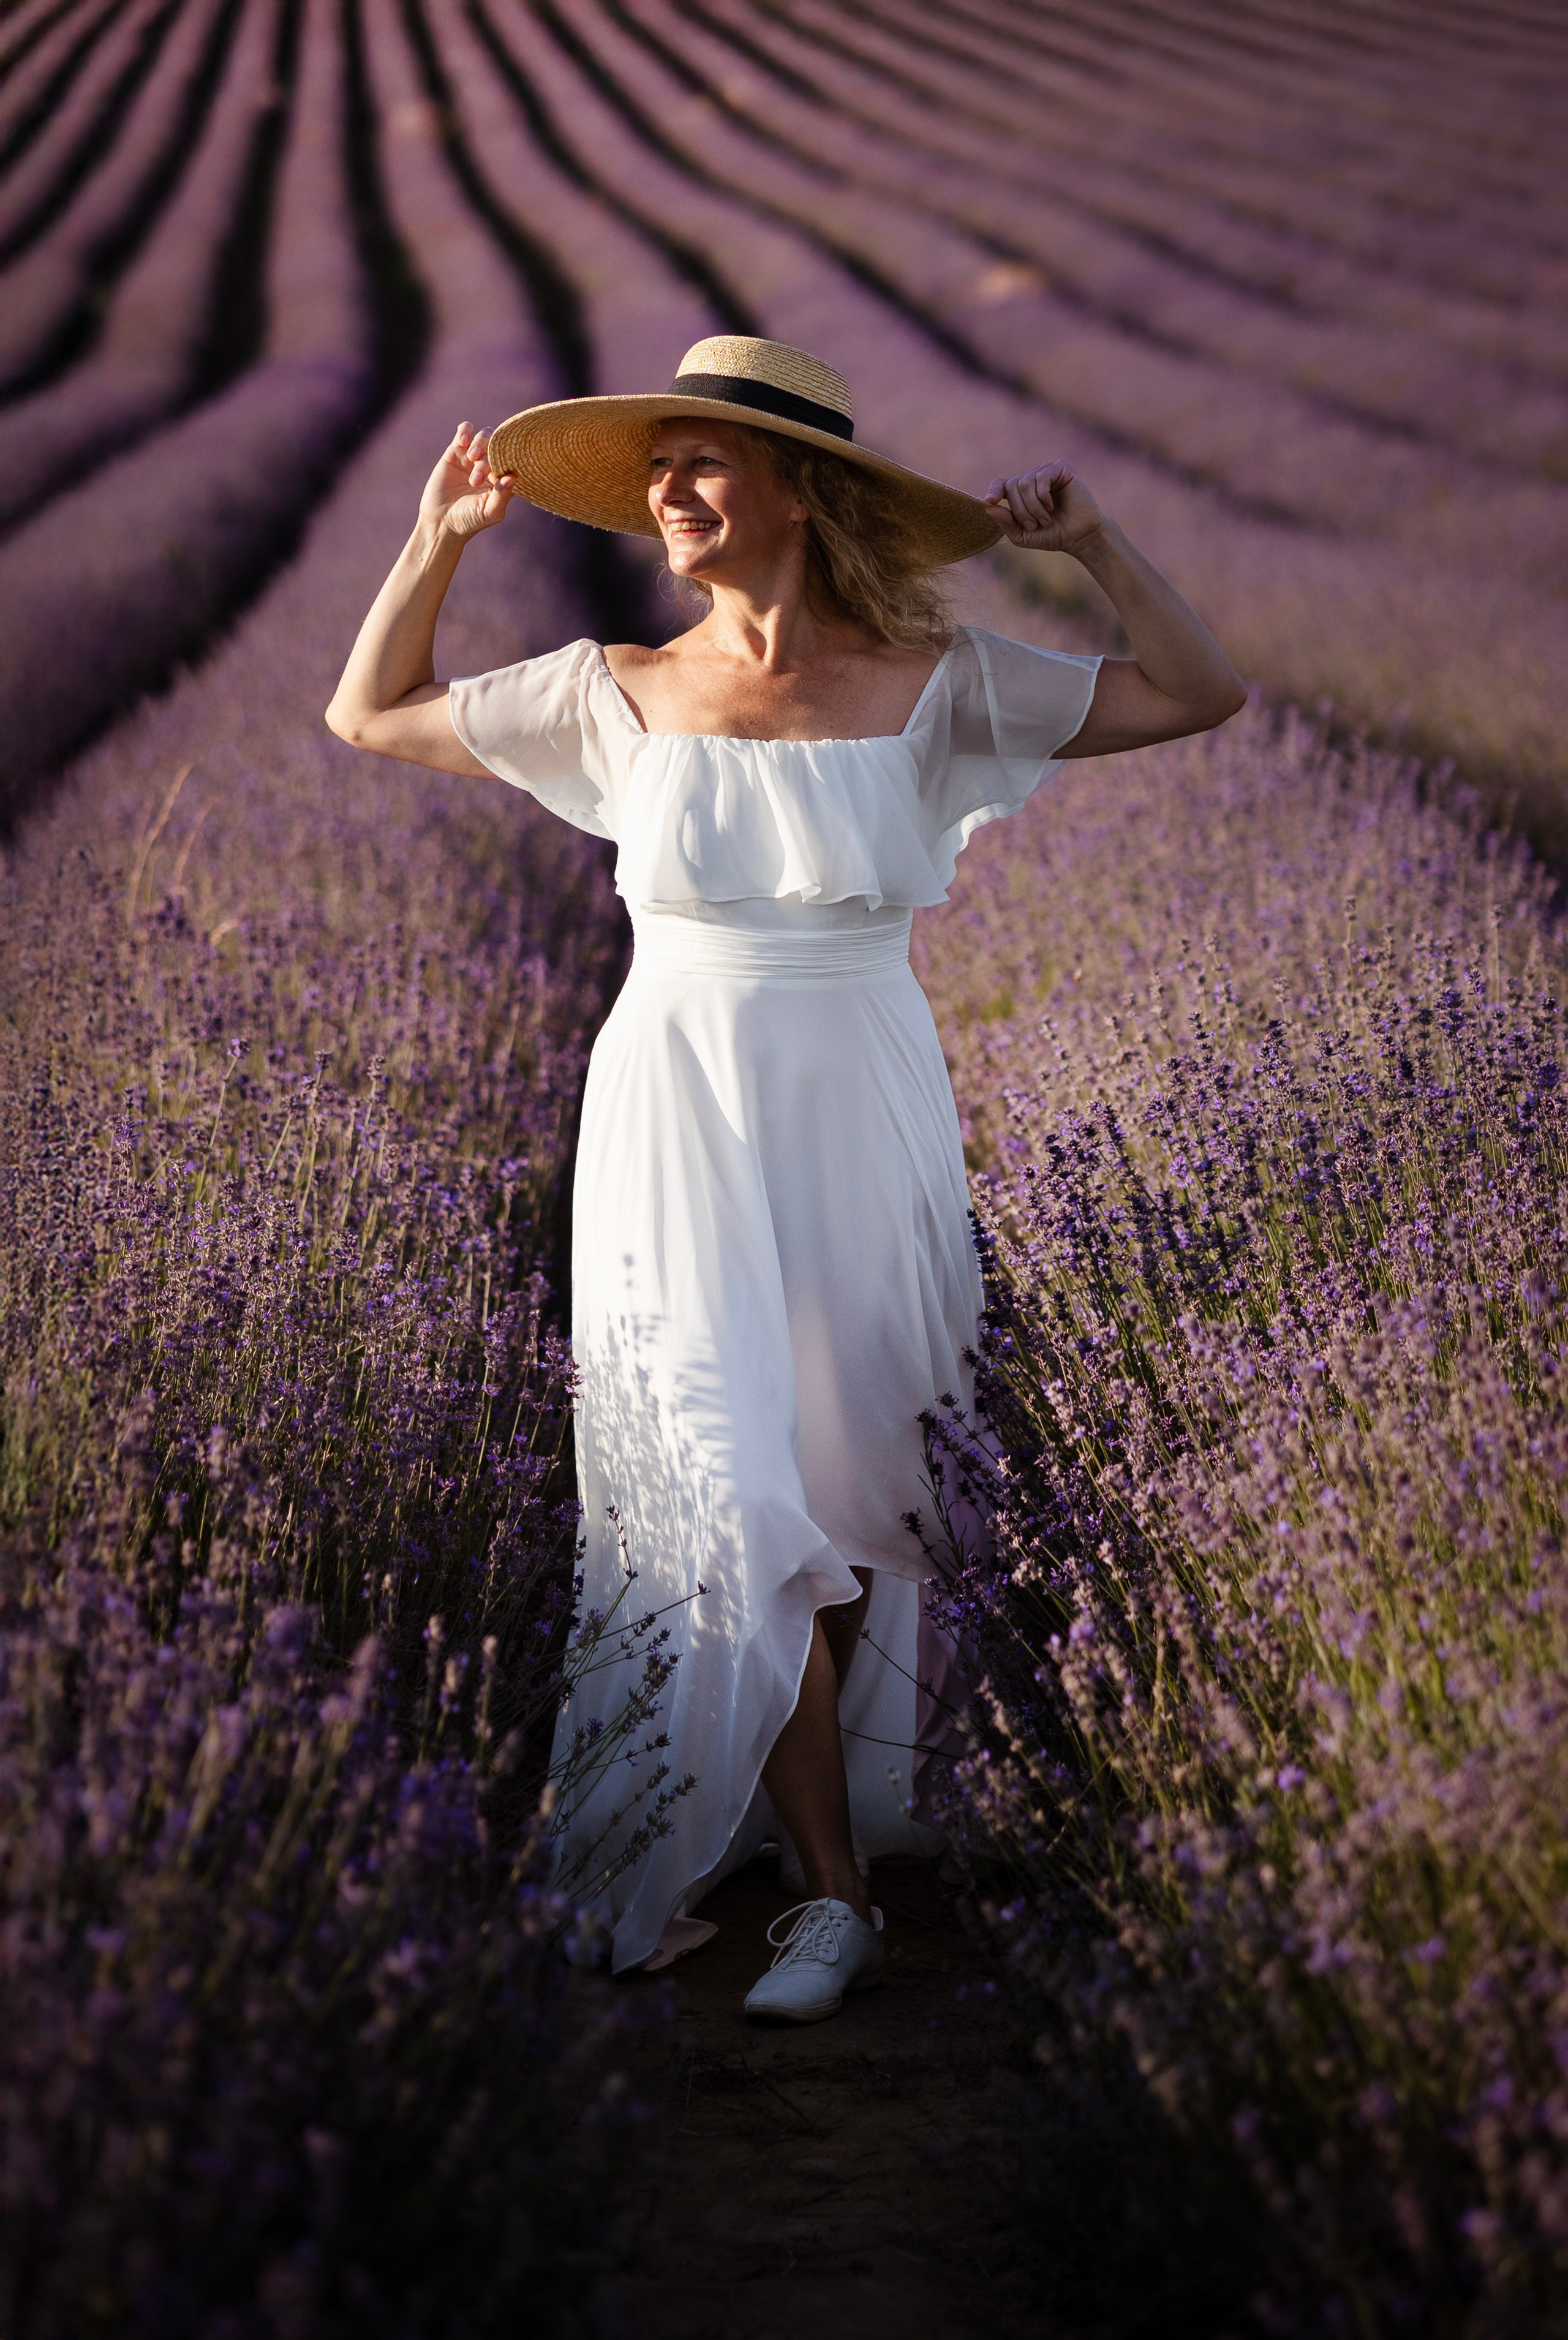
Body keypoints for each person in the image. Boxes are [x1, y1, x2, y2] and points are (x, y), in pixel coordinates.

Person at [326, 336, 1245, 2023]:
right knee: (726, 1485)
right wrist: (434, 542)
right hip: (674, 1105)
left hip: (859, 1099)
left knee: (844, 1488)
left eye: (702, 464)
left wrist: (1099, 546)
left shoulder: (935, 680)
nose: (668, 494)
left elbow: (1194, 693)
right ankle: (834, 1896)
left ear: (797, 491)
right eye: (656, 467)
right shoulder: (614, 686)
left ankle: (796, 1824)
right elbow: (366, 712)